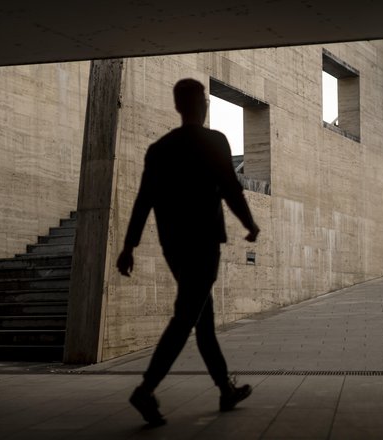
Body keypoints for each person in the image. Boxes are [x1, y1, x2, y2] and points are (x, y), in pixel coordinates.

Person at [116, 78, 260, 426]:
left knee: (203, 319)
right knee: (186, 318)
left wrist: (129, 247)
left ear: (179, 105)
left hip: (174, 246)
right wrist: (249, 224)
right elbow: (230, 187)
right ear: (203, 104)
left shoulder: (159, 149)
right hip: (204, 242)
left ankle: (225, 388)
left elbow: (143, 200)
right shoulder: (214, 141)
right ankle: (145, 390)